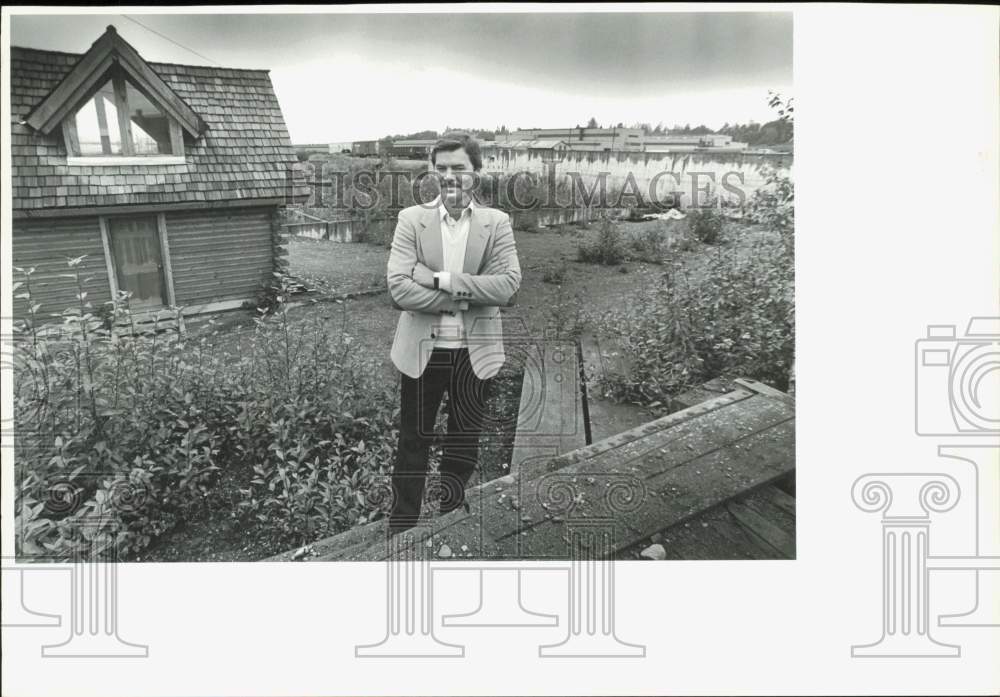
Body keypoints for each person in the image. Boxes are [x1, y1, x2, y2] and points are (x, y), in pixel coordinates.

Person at [385, 132, 522, 535]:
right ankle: (401, 526)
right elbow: (398, 289)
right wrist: (460, 299)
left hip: (472, 354)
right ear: (432, 171)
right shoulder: (411, 220)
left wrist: (439, 279)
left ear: (475, 172)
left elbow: (509, 286)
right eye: (441, 168)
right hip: (423, 352)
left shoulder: (496, 224)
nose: (449, 176)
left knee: (463, 442)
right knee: (413, 443)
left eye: (458, 168)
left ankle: (449, 521)